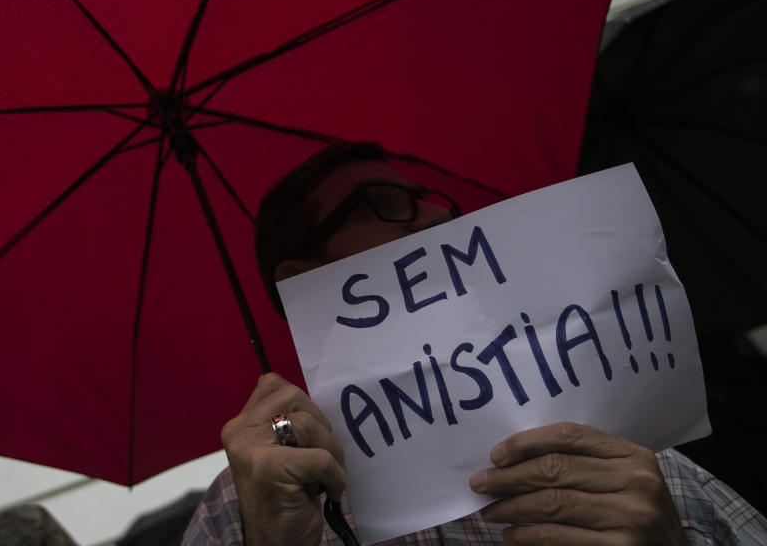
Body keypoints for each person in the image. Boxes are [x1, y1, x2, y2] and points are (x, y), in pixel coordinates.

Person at [182, 142, 767, 546]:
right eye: (385, 203)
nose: (437, 213)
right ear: (299, 283)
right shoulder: (239, 510)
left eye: (428, 196)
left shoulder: (612, 443)